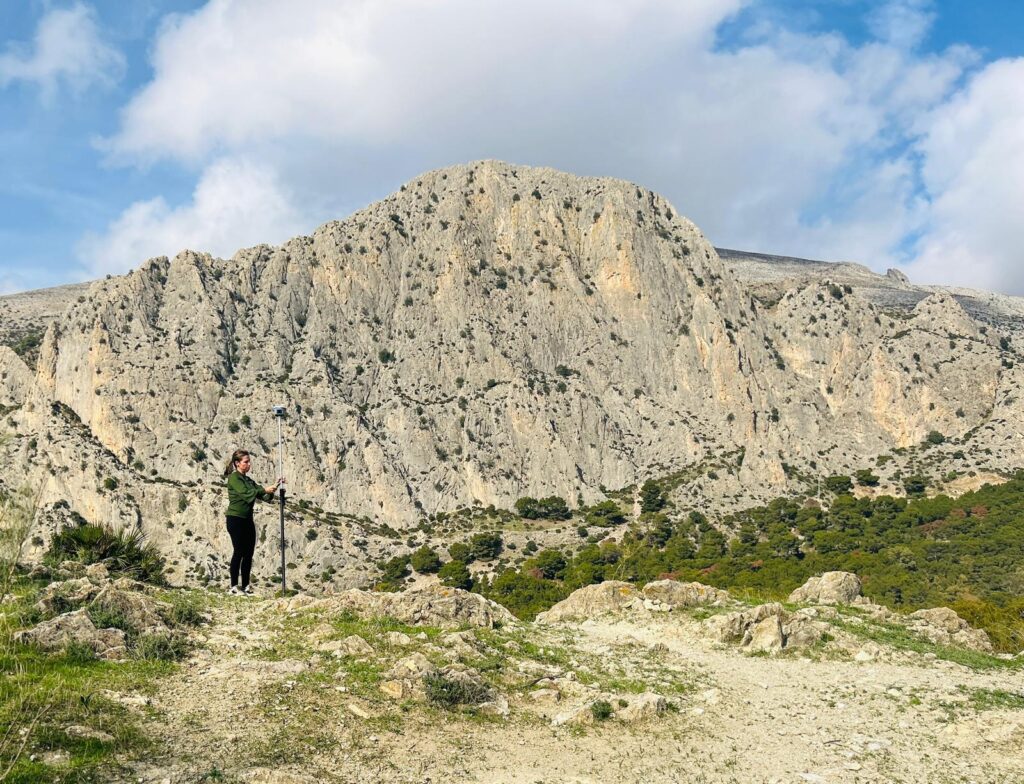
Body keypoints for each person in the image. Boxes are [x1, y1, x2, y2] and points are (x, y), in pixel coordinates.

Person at [223, 449, 283, 595]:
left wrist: (274, 487)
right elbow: (246, 494)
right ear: (237, 463)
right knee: (239, 551)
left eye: (249, 461)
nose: (249, 464)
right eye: (246, 462)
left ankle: (245, 586)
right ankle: (233, 587)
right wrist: (263, 490)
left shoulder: (249, 480)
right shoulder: (234, 478)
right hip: (235, 519)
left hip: (247, 520)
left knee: (248, 553)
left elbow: (264, 496)